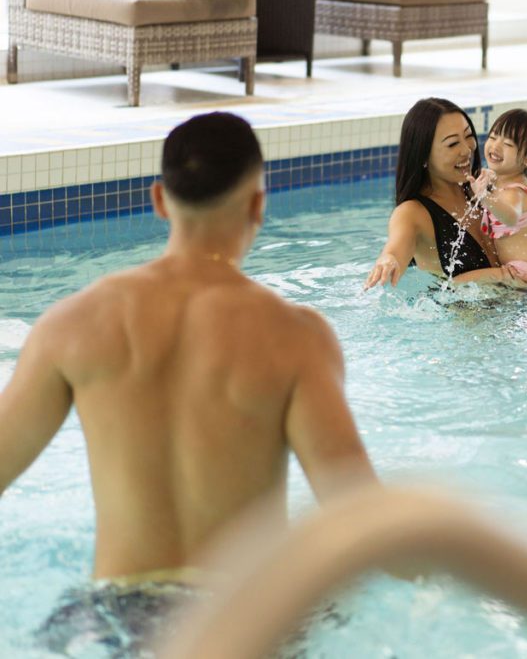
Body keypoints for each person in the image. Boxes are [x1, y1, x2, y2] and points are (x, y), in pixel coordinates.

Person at [0, 112, 375, 651]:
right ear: (257, 204)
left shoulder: (71, 325)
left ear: (158, 200)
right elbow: (357, 514)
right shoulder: (296, 337)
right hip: (242, 612)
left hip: (113, 616)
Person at [365, 97, 520, 289]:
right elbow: (395, 248)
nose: (466, 149)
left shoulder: (485, 189)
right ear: (423, 155)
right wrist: (388, 258)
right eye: (452, 144)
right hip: (464, 316)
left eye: (468, 136)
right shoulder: (413, 213)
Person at [460, 109, 527, 289]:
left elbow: (511, 216)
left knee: (457, 282)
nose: (495, 147)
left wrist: (485, 197)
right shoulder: (500, 179)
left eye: (508, 144)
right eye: (493, 137)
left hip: (523, 274)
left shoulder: (516, 190)